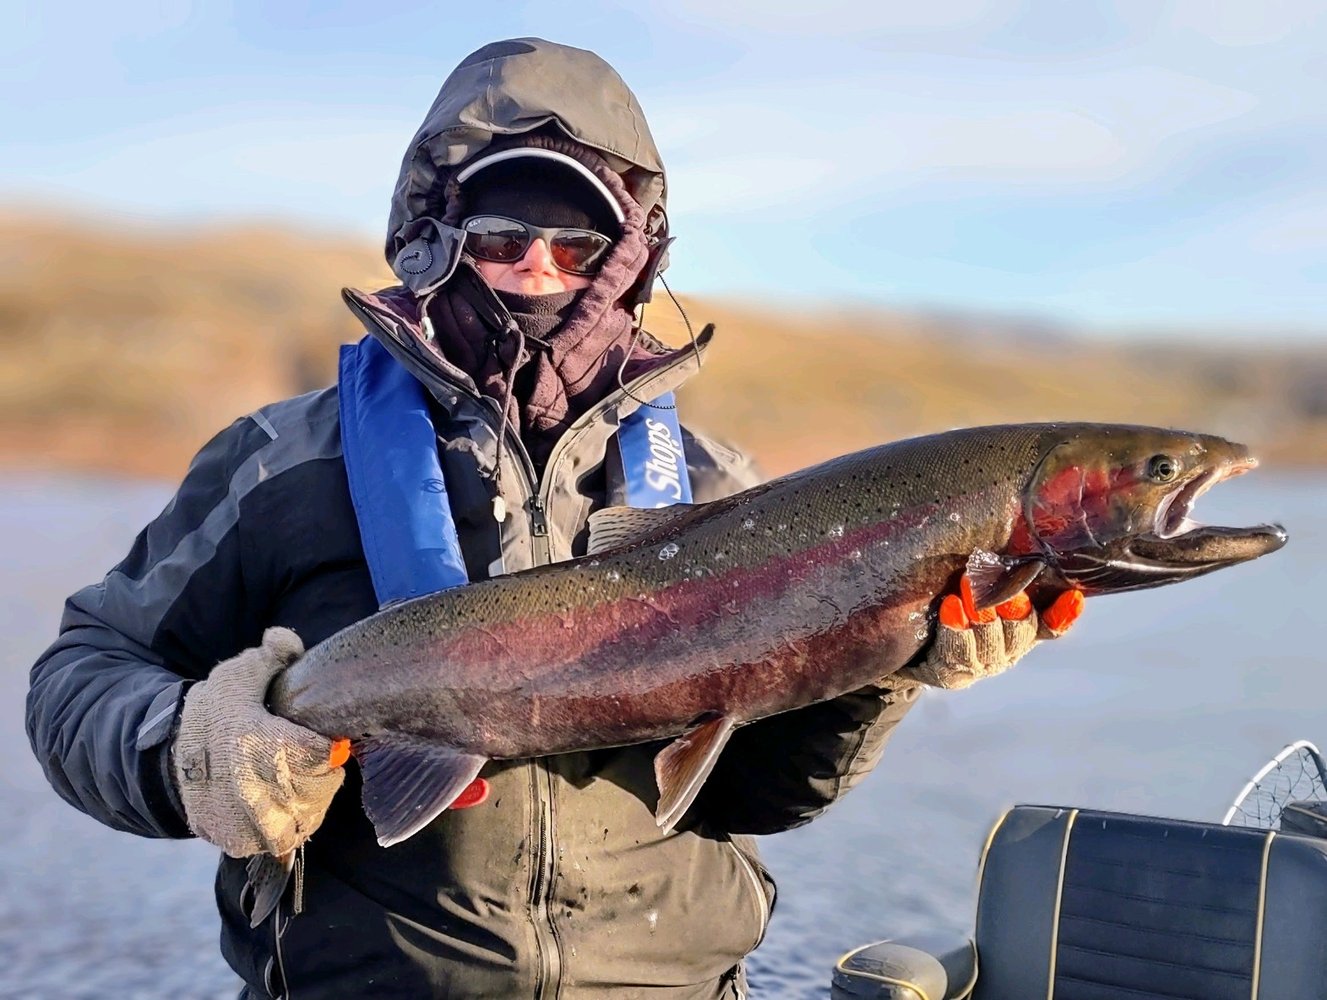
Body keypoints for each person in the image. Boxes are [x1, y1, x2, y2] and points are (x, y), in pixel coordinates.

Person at [25, 37, 1081, 999]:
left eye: (578, 246)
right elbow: (77, 676)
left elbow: (759, 793)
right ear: (435, 237)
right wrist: (188, 749)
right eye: (502, 233)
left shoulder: (725, 492)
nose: (539, 269)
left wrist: (891, 661)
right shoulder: (283, 463)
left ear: (628, 262)